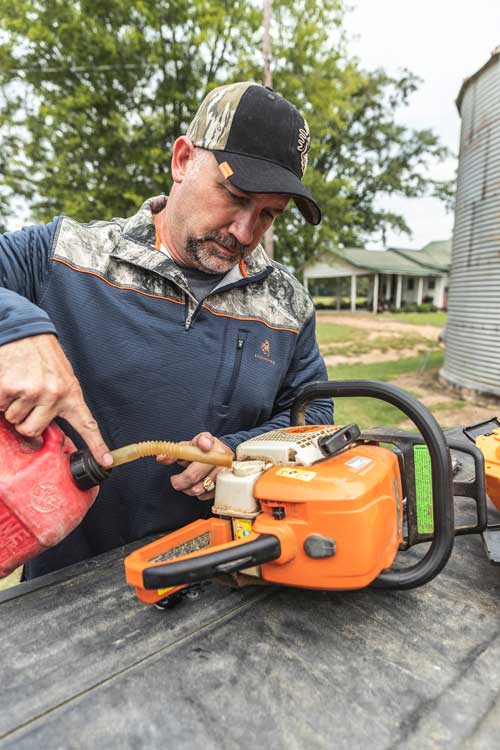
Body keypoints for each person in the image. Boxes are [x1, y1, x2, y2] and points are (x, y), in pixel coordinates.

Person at [0, 81, 333, 579]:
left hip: (219, 582)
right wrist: (17, 328)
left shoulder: (287, 305)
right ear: (182, 160)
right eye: (235, 196)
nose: (244, 233)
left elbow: (312, 414)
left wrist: (241, 450)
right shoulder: (62, 256)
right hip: (64, 593)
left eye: (268, 214)